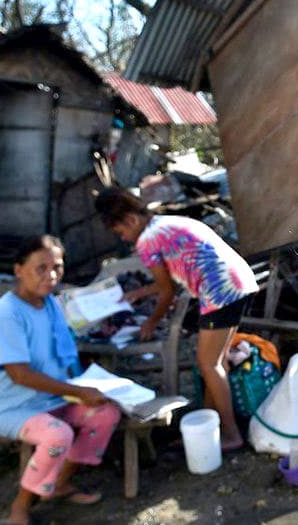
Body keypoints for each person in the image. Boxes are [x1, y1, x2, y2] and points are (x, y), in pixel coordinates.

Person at [94, 188, 258, 451]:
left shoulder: (146, 241)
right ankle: (210, 423)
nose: (124, 238)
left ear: (130, 221)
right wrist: (141, 292)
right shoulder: (167, 222)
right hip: (239, 282)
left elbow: (167, 292)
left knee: (209, 364)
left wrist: (151, 323)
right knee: (216, 361)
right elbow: (166, 282)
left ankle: (231, 434)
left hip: (220, 291)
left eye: (121, 233)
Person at [0, 235, 121, 525]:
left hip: (52, 398)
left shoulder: (51, 304)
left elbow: (63, 351)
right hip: (13, 405)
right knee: (58, 435)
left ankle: (59, 484)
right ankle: (20, 507)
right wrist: (77, 391)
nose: (51, 275)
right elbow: (18, 374)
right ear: (19, 270)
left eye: (57, 267)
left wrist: (89, 384)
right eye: (40, 268)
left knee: (106, 414)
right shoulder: (6, 313)